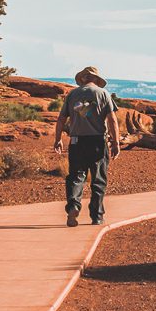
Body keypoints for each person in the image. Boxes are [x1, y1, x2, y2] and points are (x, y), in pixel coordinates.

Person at [54, 66, 120, 227]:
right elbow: (112, 120)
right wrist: (116, 142)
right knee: (98, 179)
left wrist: (58, 139)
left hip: (77, 142)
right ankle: (97, 216)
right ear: (96, 80)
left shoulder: (73, 94)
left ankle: (74, 206)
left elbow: (61, 119)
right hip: (97, 141)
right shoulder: (103, 94)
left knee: (76, 177)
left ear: (83, 79)